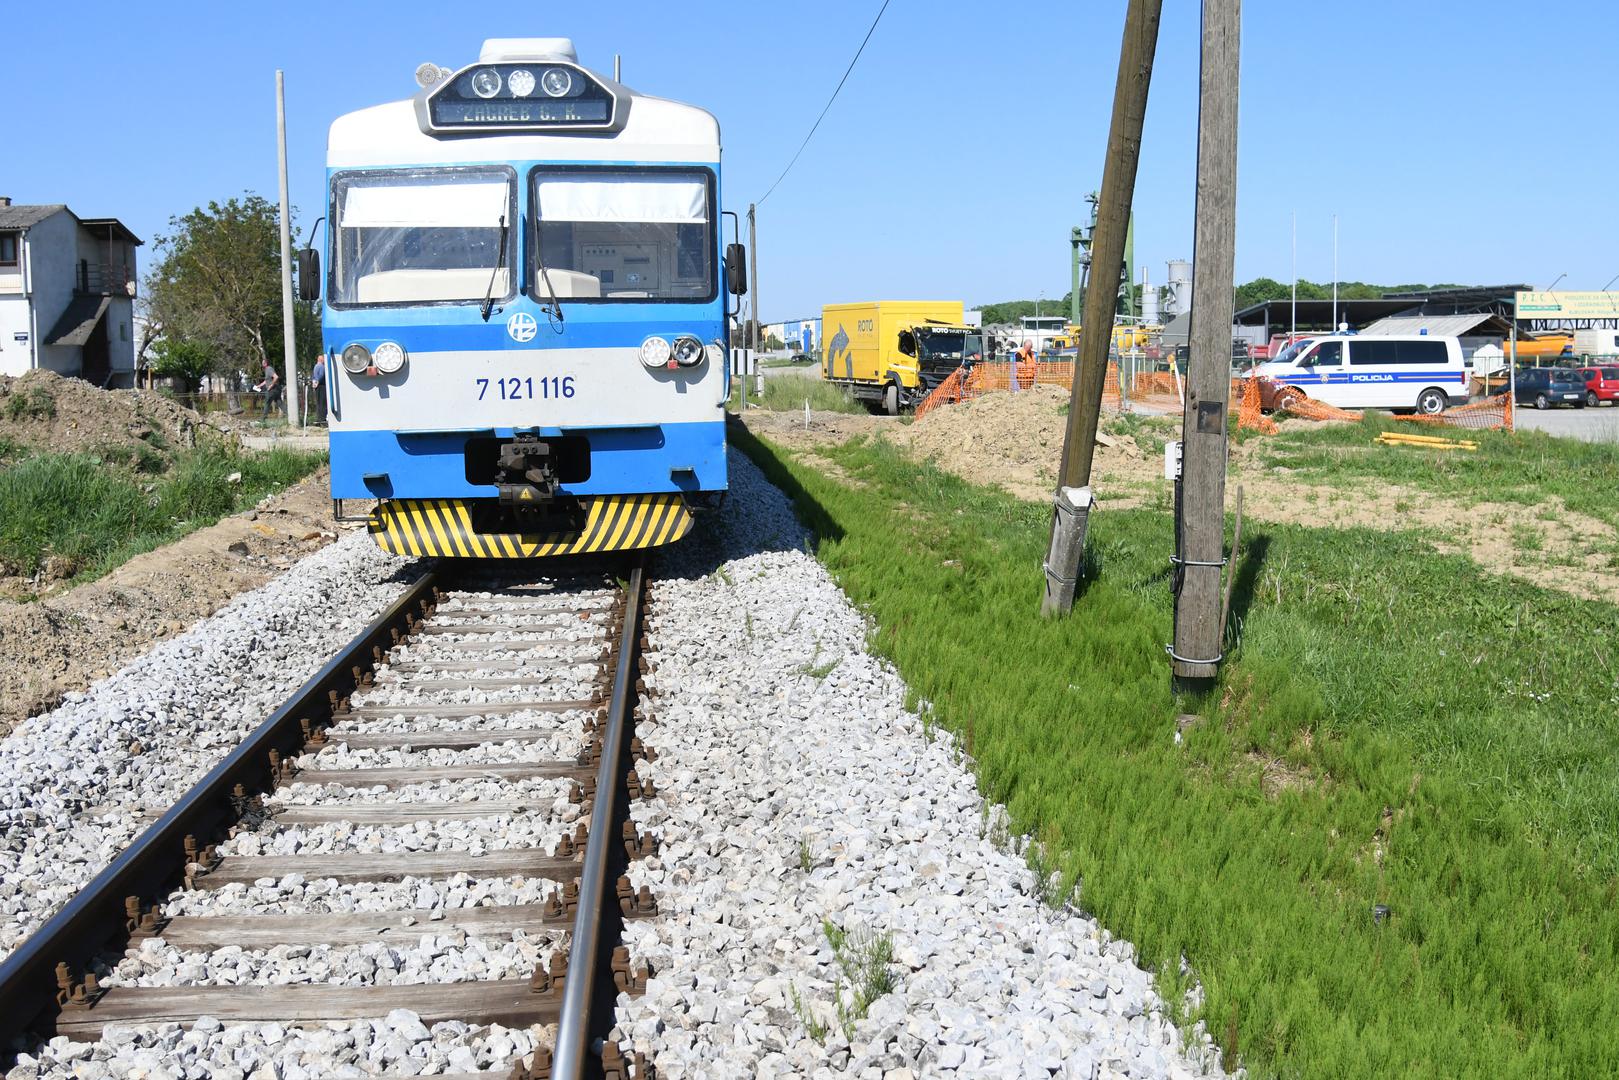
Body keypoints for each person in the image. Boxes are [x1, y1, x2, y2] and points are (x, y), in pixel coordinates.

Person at [308, 353, 327, 425]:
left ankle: (319, 418)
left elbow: (314, 376)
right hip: (321, 385)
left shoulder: (316, 366)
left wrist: (314, 383)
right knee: (323, 402)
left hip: (316, 386)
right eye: (323, 359)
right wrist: (318, 381)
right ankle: (322, 418)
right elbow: (321, 375)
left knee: (318, 402)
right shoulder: (322, 366)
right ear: (321, 359)